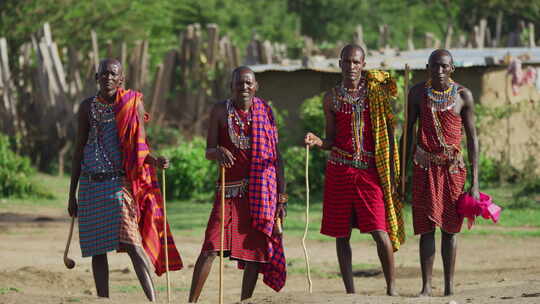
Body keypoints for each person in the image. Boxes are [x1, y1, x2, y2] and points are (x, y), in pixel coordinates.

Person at [67, 59, 183, 301]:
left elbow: (140, 149)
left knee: (132, 242)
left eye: (113, 74)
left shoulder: (132, 105)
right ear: (96, 77)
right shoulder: (86, 107)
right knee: (97, 249)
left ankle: (153, 300)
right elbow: (78, 150)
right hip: (89, 185)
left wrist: (155, 161)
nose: (108, 77)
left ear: (121, 80)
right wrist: (72, 194)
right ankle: (103, 300)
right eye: (103, 73)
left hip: (117, 185)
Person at [305, 44, 405, 296]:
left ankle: (392, 288)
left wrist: (394, 170)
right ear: (339, 64)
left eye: (356, 62)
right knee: (342, 233)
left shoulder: (375, 94)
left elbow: (387, 134)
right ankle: (350, 293)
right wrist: (318, 141)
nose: (351, 67)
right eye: (347, 62)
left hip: (370, 171)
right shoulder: (331, 98)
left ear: (363, 64)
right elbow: (331, 139)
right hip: (340, 170)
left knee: (379, 231)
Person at [188, 66, 287, 302]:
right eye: (239, 83)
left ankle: (245, 301)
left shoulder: (265, 112)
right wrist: (218, 151)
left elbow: (276, 157)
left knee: (254, 253)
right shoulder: (220, 111)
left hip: (260, 194)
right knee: (210, 247)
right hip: (228, 192)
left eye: (248, 83)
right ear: (231, 86)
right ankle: (191, 302)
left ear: (256, 86)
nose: (243, 87)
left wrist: (281, 197)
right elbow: (208, 150)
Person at [403, 49, 479, 296]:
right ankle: (425, 287)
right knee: (426, 229)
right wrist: (401, 173)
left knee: (449, 229)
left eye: (444, 66)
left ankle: (448, 287)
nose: (439, 71)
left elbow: (473, 139)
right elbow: (407, 135)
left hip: (452, 171)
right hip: (424, 169)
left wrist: (475, 183)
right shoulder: (416, 94)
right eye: (434, 66)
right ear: (428, 67)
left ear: (452, 68)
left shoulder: (463, 96)